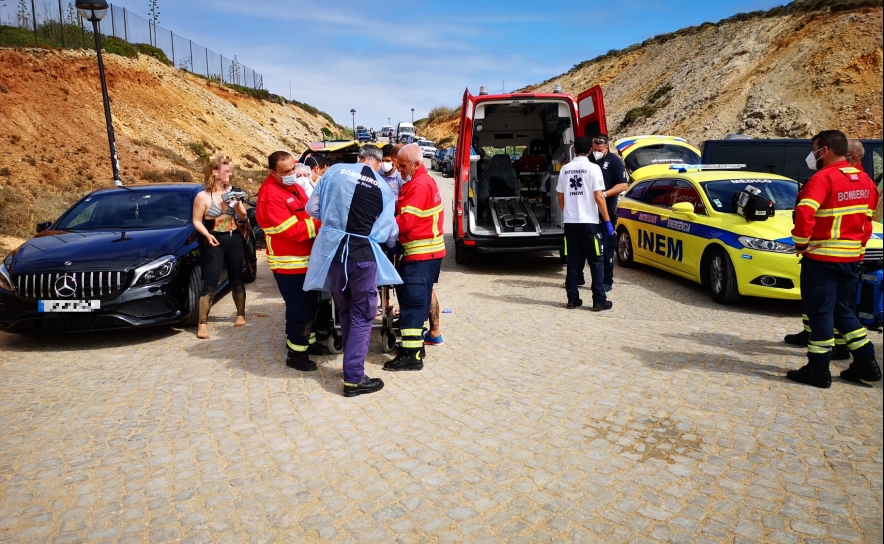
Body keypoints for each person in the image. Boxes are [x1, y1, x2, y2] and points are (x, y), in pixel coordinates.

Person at [303, 145, 401, 397]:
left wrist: (334, 224)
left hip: (334, 253)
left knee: (344, 310)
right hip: (361, 256)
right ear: (376, 162)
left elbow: (311, 209)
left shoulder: (334, 172)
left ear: (359, 158)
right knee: (363, 314)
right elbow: (389, 232)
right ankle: (354, 378)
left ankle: (351, 367)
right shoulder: (383, 188)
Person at [787, 130, 880, 388]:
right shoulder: (865, 181)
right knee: (844, 311)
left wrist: (801, 244)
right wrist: (856, 249)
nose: (812, 154)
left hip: (822, 258)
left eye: (814, 148)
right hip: (850, 258)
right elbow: (867, 223)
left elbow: (805, 213)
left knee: (819, 313)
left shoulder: (822, 178)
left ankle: (818, 370)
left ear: (825, 150)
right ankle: (866, 362)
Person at [256, 151, 323, 371]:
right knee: (298, 309)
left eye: (293, 169)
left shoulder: (290, 186)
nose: (291, 173)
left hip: (303, 260)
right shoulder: (270, 195)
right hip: (289, 263)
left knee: (310, 305)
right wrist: (324, 225)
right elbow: (293, 230)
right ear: (272, 172)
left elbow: (306, 211)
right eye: (285, 171)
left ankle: (308, 343)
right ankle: (296, 354)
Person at [385, 143, 446, 371]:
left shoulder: (419, 185)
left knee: (412, 304)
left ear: (416, 164)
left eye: (402, 165)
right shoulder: (421, 181)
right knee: (418, 302)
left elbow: (405, 222)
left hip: (419, 255)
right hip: (427, 254)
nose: (398, 169)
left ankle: (410, 356)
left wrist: (382, 229)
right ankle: (416, 347)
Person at [191, 152, 248, 339]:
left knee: (236, 278)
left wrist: (237, 205)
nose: (229, 173)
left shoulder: (234, 191)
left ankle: (240, 315)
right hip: (213, 240)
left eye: (229, 170)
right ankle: (202, 324)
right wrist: (207, 235)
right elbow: (196, 221)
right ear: (214, 171)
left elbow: (243, 217)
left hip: (234, 240)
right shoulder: (202, 196)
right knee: (210, 282)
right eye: (225, 169)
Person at [557, 136, 614, 311]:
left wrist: (569, 212)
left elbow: (560, 197)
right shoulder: (593, 168)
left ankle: (572, 299)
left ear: (574, 150)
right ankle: (598, 300)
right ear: (590, 150)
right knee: (596, 261)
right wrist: (607, 220)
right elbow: (598, 197)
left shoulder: (565, 169)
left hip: (571, 223)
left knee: (573, 262)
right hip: (589, 223)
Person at [588, 134, 629, 292]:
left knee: (606, 248)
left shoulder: (614, 162)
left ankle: (607, 280)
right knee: (590, 248)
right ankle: (590, 279)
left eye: (599, 150)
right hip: (589, 212)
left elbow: (623, 185)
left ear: (607, 148)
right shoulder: (589, 160)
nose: (596, 152)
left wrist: (604, 194)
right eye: (594, 149)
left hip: (607, 210)